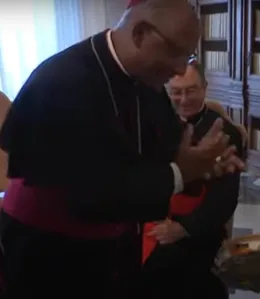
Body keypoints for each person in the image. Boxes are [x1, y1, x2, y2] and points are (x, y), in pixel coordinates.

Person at [0, 0, 244, 298]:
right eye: (176, 52)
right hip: (51, 254)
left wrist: (205, 157)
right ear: (140, 34)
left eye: (188, 55)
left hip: (113, 244)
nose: (181, 67)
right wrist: (182, 171)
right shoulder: (64, 82)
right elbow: (92, 195)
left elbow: (167, 142)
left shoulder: (145, 78)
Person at [137, 58, 243, 299]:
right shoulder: (153, 125)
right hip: (152, 218)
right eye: (176, 92)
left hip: (197, 228)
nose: (183, 100)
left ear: (205, 87)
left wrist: (182, 228)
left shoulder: (226, 133)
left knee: (159, 270)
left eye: (191, 90)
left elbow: (225, 198)